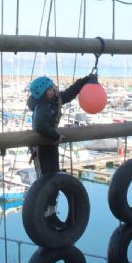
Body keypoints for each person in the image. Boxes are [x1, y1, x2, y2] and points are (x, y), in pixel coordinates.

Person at [27, 75, 91, 215]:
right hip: (41, 147)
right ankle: (44, 208)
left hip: (50, 144)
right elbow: (40, 125)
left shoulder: (54, 100)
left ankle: (51, 207)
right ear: (47, 92)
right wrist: (56, 136)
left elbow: (70, 93)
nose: (55, 88)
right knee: (45, 177)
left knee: (54, 174)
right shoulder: (42, 107)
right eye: (52, 87)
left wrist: (85, 80)